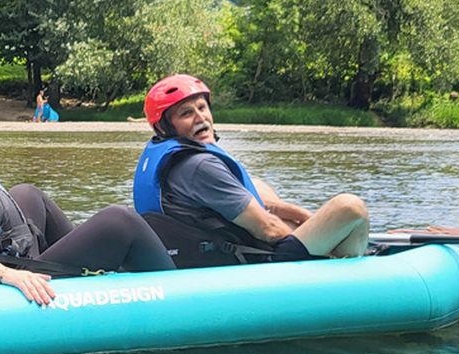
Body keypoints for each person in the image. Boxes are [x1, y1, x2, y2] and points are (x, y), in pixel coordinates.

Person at [0, 82, 173, 305]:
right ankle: (176, 292)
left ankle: (94, 275)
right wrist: (5, 275)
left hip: (6, 263)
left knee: (27, 194)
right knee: (120, 221)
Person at [134, 74, 369, 267]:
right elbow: (267, 230)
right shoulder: (200, 167)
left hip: (209, 249)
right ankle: (346, 269)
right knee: (349, 207)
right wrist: (322, 246)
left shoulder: (172, 157)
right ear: (165, 126)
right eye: (186, 113)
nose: (200, 118)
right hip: (259, 262)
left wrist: (307, 220)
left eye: (202, 107)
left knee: (257, 184)